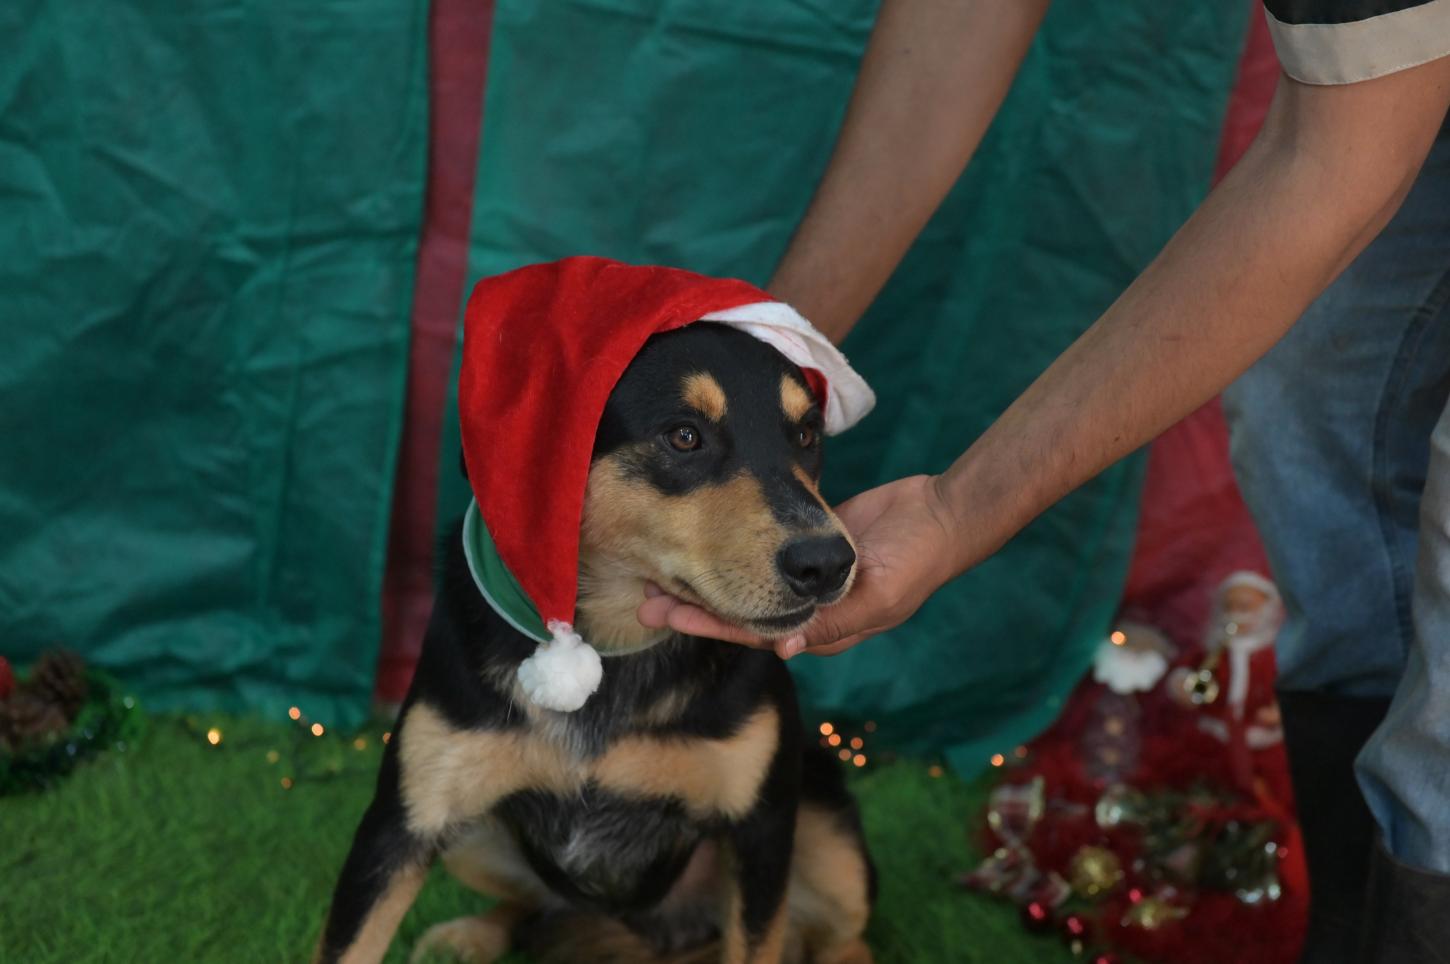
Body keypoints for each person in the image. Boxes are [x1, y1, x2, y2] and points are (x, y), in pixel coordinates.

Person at [637, 1, 1450, 959]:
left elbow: (1329, 169)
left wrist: (954, 510)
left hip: (1360, 113)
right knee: (1309, 414)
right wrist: (766, 357)